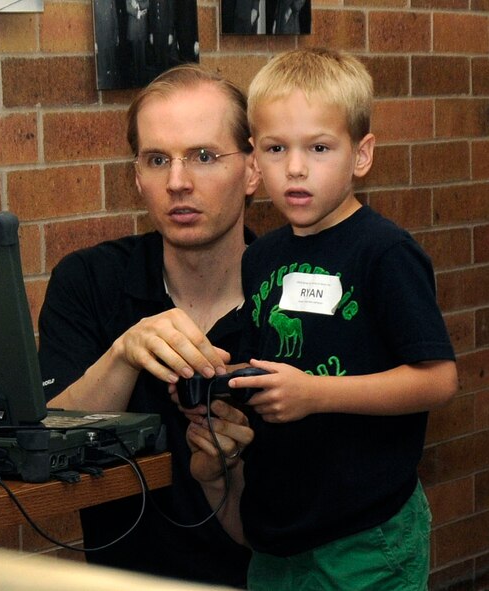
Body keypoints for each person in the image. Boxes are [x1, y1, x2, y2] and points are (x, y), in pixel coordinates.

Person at [187, 47, 459, 590]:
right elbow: (273, 352)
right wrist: (215, 380)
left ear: (361, 155)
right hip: (281, 529)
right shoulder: (260, 256)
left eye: (318, 147)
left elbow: (438, 379)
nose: (294, 167)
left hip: (366, 535)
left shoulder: (384, 253)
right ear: (252, 161)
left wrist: (316, 394)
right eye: (275, 148)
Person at [37, 64, 261, 587]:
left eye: (204, 157)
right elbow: (47, 445)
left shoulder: (292, 299)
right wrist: (123, 353)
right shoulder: (89, 280)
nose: (178, 182)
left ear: (252, 170)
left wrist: (225, 475)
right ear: (137, 176)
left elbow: (300, 523)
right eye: (158, 160)